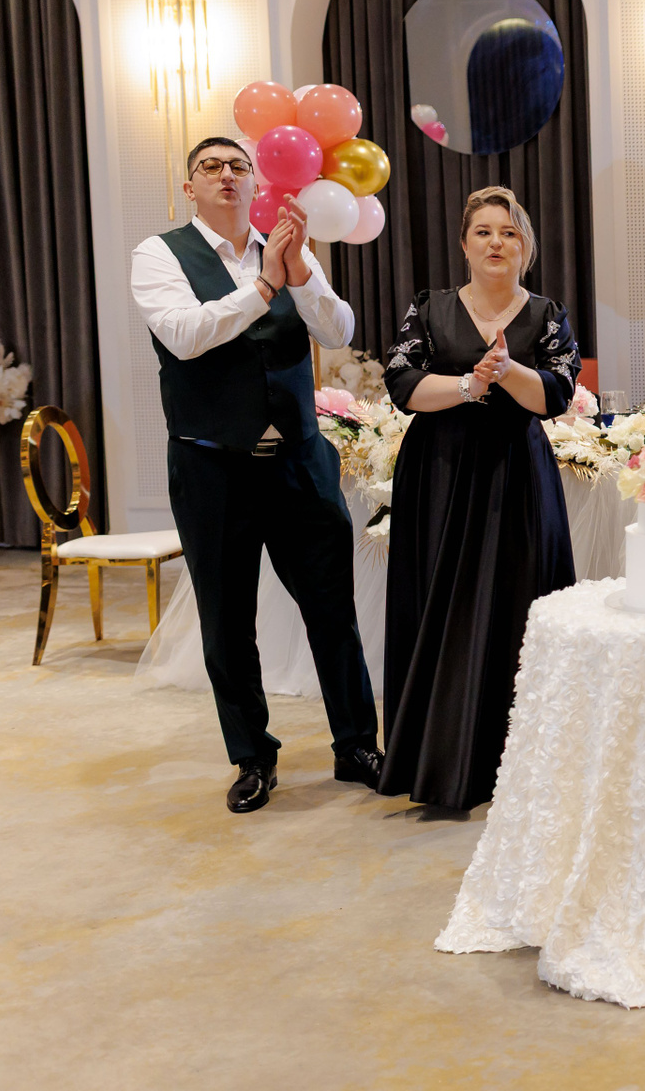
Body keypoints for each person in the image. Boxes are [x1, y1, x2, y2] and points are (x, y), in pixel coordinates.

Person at [131, 135, 382, 814]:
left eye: (238, 166)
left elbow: (337, 331)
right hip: (212, 464)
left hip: (298, 460)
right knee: (227, 619)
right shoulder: (160, 254)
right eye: (210, 167)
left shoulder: (286, 246)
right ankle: (252, 757)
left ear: (254, 184)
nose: (226, 175)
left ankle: (357, 745)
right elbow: (185, 335)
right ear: (190, 188)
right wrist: (264, 284)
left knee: (332, 609)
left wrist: (297, 275)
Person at [379, 186, 580, 810]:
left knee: (520, 603)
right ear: (464, 245)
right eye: (484, 232)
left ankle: (523, 762)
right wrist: (470, 384)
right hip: (439, 473)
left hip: (517, 476)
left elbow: (556, 395)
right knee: (440, 604)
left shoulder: (547, 314)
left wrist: (508, 371)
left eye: (509, 232)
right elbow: (401, 384)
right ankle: (437, 762)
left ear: (526, 247)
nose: (497, 242)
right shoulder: (430, 308)